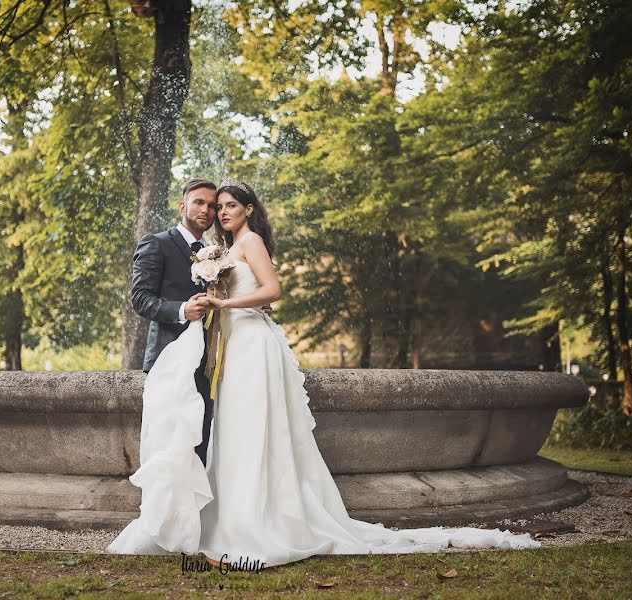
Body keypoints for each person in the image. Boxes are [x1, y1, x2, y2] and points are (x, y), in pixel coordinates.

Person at [109, 179, 540, 566]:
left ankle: (250, 524)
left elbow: (269, 289)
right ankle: (187, 524)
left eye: (226, 206)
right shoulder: (176, 245)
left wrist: (226, 304)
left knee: (248, 432)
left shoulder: (248, 243)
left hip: (247, 348)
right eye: (209, 205)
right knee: (214, 437)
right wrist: (202, 307)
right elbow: (144, 298)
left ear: (248, 210)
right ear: (183, 205)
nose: (216, 212)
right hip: (197, 355)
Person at [129, 178, 217, 465]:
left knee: (202, 442)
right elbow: (140, 298)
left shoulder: (217, 253)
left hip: (209, 362)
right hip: (170, 358)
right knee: (170, 446)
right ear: (183, 206)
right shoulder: (157, 243)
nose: (206, 210)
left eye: (212, 206)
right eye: (199, 203)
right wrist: (181, 310)